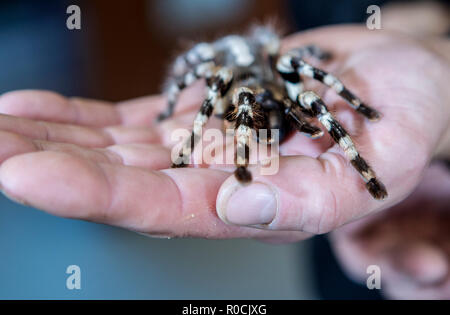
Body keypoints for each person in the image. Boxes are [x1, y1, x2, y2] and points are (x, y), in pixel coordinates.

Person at [0, 25, 448, 298]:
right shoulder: (231, 88)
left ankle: (362, 171)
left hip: (273, 67)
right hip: (240, 74)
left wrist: (362, 106)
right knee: (224, 83)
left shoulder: (288, 78)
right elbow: (205, 85)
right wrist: (188, 123)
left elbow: (319, 75)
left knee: (309, 88)